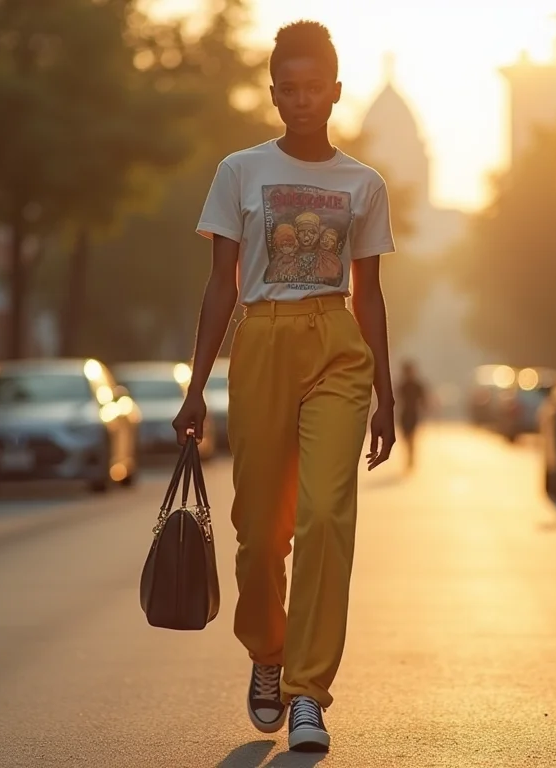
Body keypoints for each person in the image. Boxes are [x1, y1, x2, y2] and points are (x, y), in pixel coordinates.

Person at [172, 20, 396, 753]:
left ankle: (308, 692)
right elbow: (219, 288)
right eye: (288, 90)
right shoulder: (240, 170)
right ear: (274, 96)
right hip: (261, 342)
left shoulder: (364, 184)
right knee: (259, 535)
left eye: (314, 89)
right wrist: (195, 385)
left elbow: (369, 294)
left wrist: (386, 395)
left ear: (334, 91)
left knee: (327, 517)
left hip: (336, 345)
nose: (302, 102)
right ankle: (267, 653)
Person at [396, 360, 429, 471]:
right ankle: (408, 455)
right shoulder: (402, 385)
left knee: (412, 437)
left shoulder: (417, 385)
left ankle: (411, 458)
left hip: (414, 414)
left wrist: (426, 411)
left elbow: (424, 400)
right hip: (404, 414)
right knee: (405, 437)